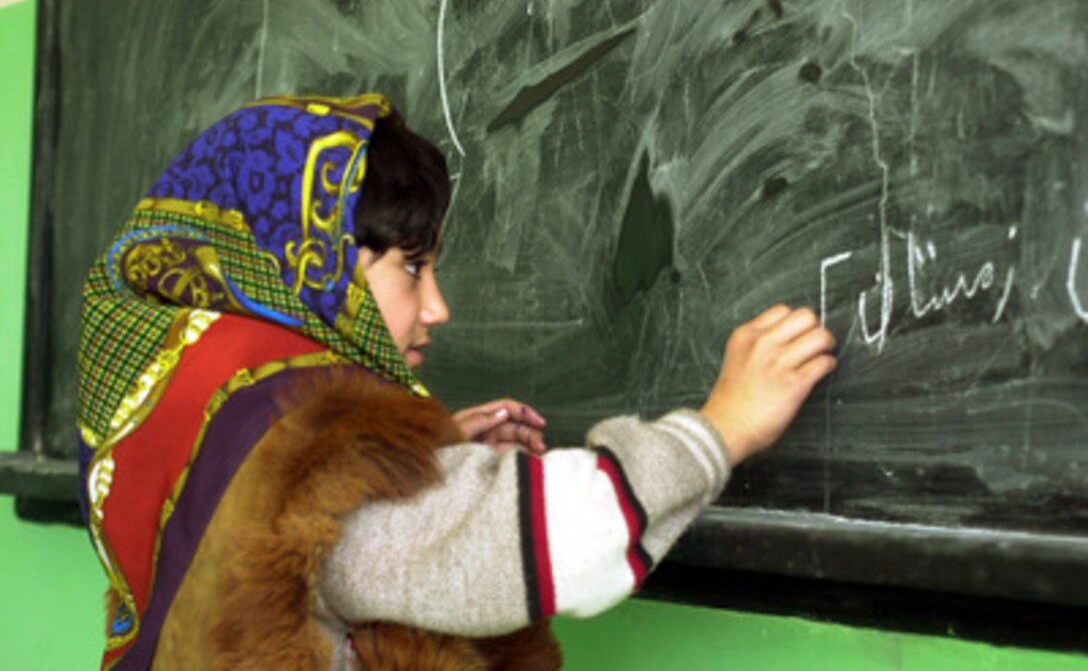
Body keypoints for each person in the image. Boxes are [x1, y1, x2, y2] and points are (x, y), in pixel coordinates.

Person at [76, 93, 836, 670]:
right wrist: (722, 427)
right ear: (309, 259)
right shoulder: (306, 452)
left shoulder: (209, 399)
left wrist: (411, 462)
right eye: (411, 267)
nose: (437, 307)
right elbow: (560, 544)